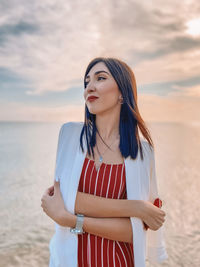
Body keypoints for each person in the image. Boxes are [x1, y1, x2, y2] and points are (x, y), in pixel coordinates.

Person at [41, 57, 168, 267]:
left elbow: (134, 231)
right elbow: (64, 198)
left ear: (122, 93)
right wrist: (136, 207)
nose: (90, 87)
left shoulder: (143, 152)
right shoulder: (70, 135)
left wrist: (73, 220)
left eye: (100, 78)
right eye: (86, 82)